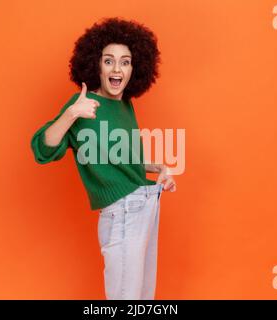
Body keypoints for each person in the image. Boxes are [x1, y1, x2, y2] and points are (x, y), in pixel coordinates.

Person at [30, 17, 176, 300]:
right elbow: (42, 149)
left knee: (142, 297)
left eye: (125, 61)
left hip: (145, 202)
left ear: (135, 68)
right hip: (121, 212)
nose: (117, 68)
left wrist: (155, 168)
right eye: (109, 61)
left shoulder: (124, 104)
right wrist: (71, 114)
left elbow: (116, 157)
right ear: (96, 65)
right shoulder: (82, 105)